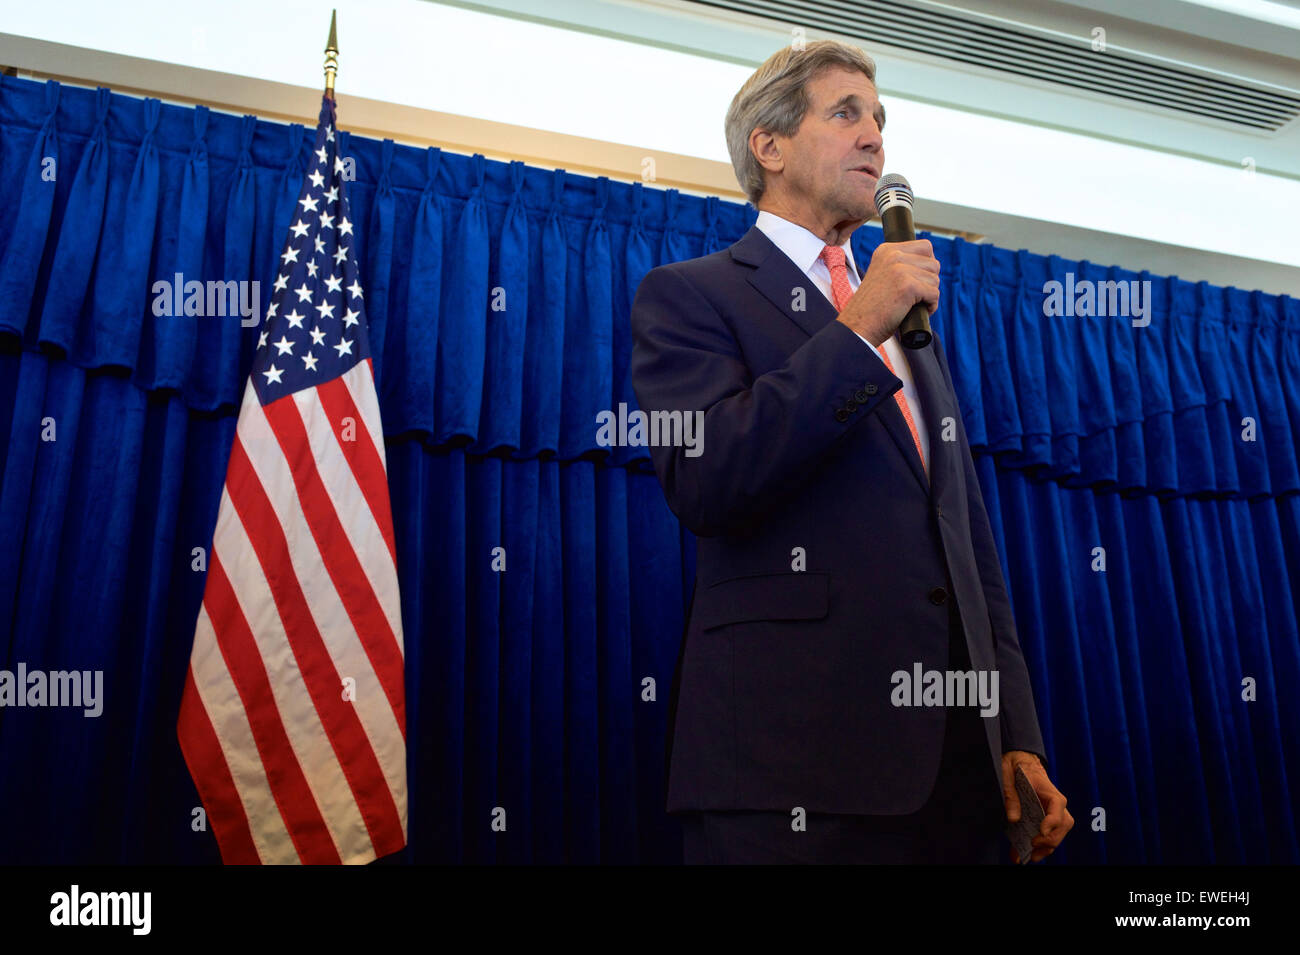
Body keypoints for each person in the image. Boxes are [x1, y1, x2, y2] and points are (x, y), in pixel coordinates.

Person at [629, 39, 1074, 864]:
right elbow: (707, 478)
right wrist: (858, 324)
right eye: (846, 114)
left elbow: (968, 548)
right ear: (769, 146)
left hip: (954, 779)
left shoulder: (913, 326)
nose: (875, 136)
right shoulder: (691, 294)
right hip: (786, 769)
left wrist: (1015, 734)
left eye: (880, 120)